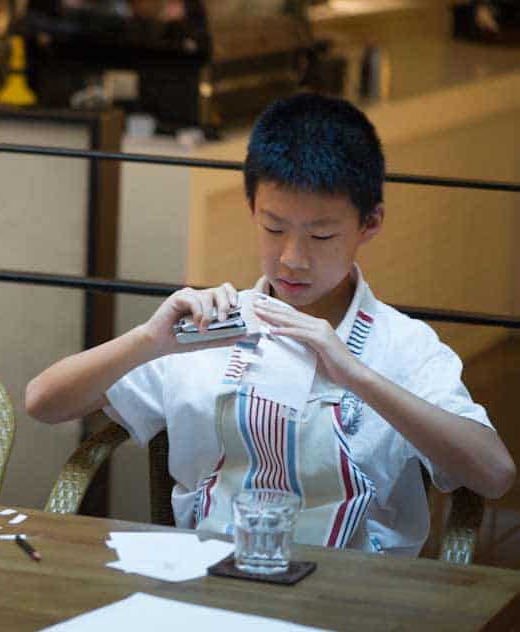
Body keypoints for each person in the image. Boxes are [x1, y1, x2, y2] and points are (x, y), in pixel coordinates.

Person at [26, 93, 515, 555]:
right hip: (211, 579)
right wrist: (149, 340)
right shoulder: (213, 326)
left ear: (369, 224)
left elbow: (493, 475)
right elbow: (44, 402)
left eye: (321, 235)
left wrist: (355, 375)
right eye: (274, 228)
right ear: (252, 210)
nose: (292, 258)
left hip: (357, 593)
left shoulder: (401, 344)